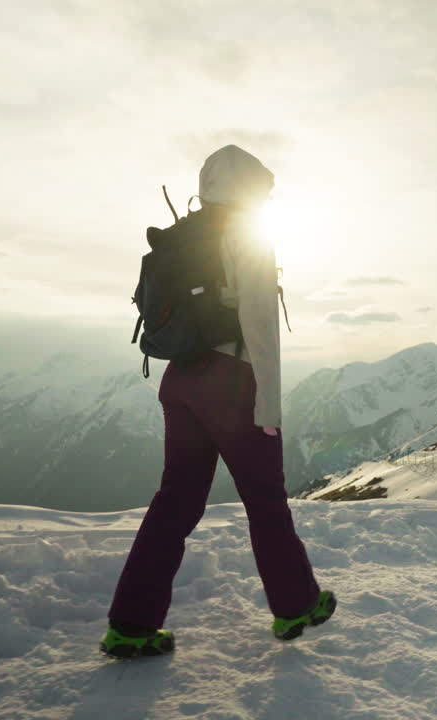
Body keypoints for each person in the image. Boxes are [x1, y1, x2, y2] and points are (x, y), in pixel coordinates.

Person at [101, 145, 334, 659]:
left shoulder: (185, 233)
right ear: (249, 190)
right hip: (232, 380)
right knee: (265, 500)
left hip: (180, 380)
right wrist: (268, 410)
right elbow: (259, 325)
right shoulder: (248, 234)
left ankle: (130, 625)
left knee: (175, 502)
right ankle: (296, 604)